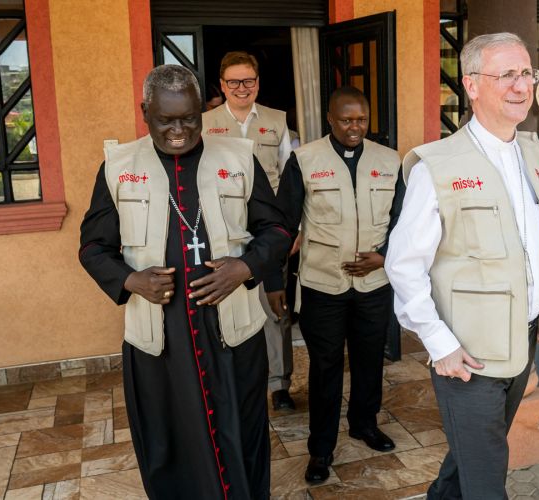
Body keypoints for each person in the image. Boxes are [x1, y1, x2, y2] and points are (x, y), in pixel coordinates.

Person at [79, 65, 290, 500]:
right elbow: (93, 247)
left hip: (233, 330)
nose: (179, 130)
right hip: (160, 336)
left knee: (241, 430)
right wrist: (131, 279)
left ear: (202, 111)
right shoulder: (119, 167)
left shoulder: (238, 158)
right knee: (168, 438)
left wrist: (246, 267)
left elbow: (277, 231)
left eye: (189, 118)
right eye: (166, 120)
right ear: (145, 112)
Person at [385, 33, 539, 499]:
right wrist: (439, 343)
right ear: (471, 85)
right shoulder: (437, 165)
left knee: (470, 459)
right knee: (487, 479)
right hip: (468, 357)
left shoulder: (534, 153)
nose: (521, 86)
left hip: (523, 340)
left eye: (527, 73)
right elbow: (404, 264)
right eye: (506, 74)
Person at [272, 86, 405, 483]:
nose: (354, 127)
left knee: (369, 360)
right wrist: (271, 279)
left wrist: (385, 256)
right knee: (325, 367)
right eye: (346, 120)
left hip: (374, 284)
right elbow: (282, 225)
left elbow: (404, 221)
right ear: (330, 119)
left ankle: (364, 423)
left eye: (361, 120)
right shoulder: (305, 160)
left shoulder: (389, 161)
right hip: (322, 285)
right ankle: (321, 448)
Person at [202, 51, 297, 411]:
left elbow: (291, 178)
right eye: (234, 82)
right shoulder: (205, 123)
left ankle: (279, 383)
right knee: (226, 305)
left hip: (270, 230)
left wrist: (295, 228)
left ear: (257, 83)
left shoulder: (277, 121)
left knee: (275, 306)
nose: (242, 88)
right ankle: (231, 379)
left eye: (249, 81)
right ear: (222, 86)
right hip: (222, 230)